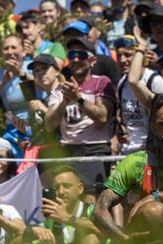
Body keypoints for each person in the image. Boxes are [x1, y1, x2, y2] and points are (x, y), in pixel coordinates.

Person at [91, 93, 163, 244]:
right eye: (162, 124)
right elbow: (100, 209)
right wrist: (121, 236)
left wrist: (156, 196)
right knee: (153, 211)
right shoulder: (136, 162)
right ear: (153, 128)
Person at [45, 37, 115, 192]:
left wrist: (78, 98)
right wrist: (64, 102)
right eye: (71, 55)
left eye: (81, 55)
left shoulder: (102, 82)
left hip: (95, 150)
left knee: (93, 199)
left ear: (92, 60)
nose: (76, 59)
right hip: (67, 150)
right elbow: (49, 125)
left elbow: (103, 116)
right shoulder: (60, 89)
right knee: (66, 198)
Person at [39, 165, 104, 244]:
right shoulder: (50, 213)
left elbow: (106, 232)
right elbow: (23, 234)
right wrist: (35, 230)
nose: (61, 191)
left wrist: (67, 218)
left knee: (90, 240)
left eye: (66, 186)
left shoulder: (92, 210)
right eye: (56, 187)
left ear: (80, 188)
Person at [117, 35, 163, 154]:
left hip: (149, 151)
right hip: (127, 151)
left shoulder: (155, 81)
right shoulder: (122, 82)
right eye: (119, 55)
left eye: (128, 55)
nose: (122, 60)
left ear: (141, 56)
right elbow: (124, 115)